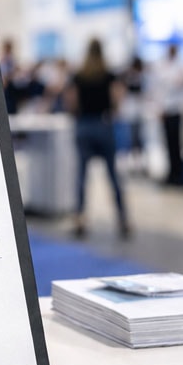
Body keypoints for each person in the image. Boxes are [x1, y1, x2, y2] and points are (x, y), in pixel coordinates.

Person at [65, 38, 131, 240]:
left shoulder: (79, 75)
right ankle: (122, 219)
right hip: (103, 125)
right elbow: (117, 97)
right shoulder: (108, 75)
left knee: (82, 176)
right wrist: (112, 111)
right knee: (112, 175)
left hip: (84, 125)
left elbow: (71, 101)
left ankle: (80, 219)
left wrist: (77, 113)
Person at [147, 44, 183, 186]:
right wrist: (158, 108)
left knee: (177, 143)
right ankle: (172, 172)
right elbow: (158, 90)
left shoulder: (181, 67)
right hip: (165, 111)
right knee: (167, 143)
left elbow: (182, 88)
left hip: (176, 110)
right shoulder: (161, 67)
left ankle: (178, 173)